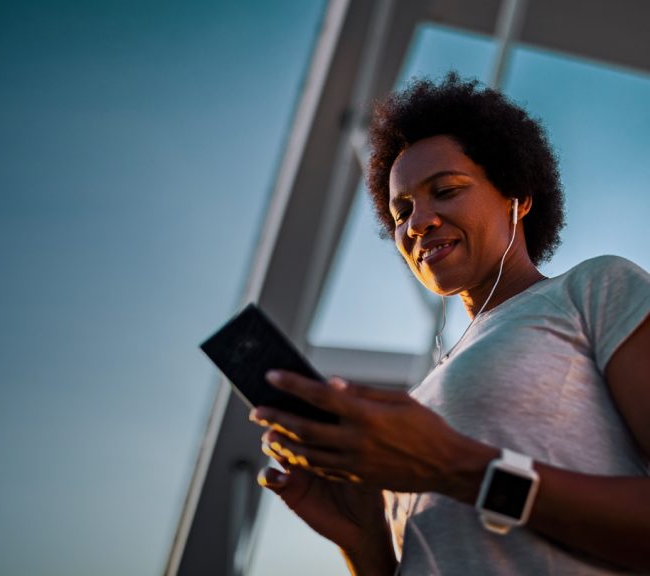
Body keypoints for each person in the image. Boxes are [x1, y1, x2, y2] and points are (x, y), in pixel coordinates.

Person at [250, 73, 650, 575]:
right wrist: (364, 539)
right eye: (401, 211)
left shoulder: (594, 289)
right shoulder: (420, 404)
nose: (417, 223)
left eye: (445, 190)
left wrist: (457, 467)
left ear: (518, 197)